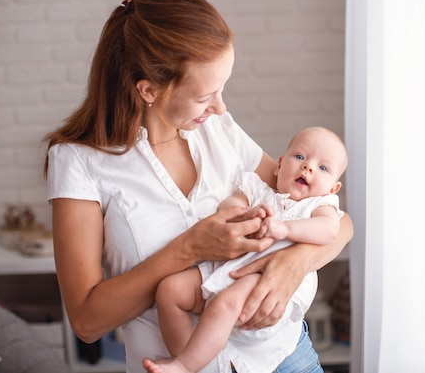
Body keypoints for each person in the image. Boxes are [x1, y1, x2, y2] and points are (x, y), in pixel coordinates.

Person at [43, 0, 353, 373]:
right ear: (149, 89)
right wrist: (189, 248)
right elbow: (87, 322)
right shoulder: (78, 162)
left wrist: (292, 265)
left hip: (285, 358)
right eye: (205, 95)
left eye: (222, 90)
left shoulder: (217, 129)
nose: (220, 107)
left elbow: (336, 221)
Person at [143, 126, 348, 373]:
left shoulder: (319, 205)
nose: (308, 167)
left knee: (224, 303)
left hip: (268, 285)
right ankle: (188, 359)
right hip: (229, 271)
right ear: (279, 164)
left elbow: (329, 230)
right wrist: (244, 214)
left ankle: (184, 365)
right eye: (300, 157)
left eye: (323, 168)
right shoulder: (258, 190)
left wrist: (285, 229)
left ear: (333, 188)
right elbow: (230, 206)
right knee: (170, 291)